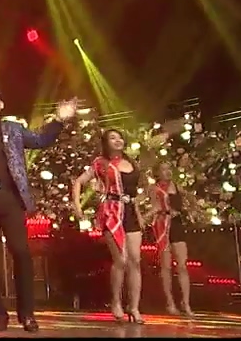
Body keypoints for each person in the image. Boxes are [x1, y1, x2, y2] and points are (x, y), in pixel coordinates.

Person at [0, 84, 77, 332]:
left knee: (21, 253)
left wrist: (59, 120)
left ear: (1, 104)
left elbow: (40, 140)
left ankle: (27, 314)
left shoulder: (13, 128)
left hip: (10, 200)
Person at [71, 124, 179, 325]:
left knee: (135, 261)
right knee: (120, 260)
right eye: (112, 138)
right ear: (106, 143)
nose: (117, 140)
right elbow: (79, 182)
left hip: (130, 212)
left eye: (119, 137)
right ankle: (116, 301)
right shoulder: (101, 163)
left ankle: (134, 307)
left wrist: (141, 212)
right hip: (111, 212)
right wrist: (78, 207)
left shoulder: (131, 163)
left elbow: (139, 191)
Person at [147, 161, 195, 317]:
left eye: (169, 169)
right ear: (157, 172)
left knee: (182, 265)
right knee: (166, 266)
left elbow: (189, 199)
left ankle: (186, 303)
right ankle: (170, 302)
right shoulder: (154, 189)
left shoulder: (177, 186)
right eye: (163, 169)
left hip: (177, 224)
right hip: (162, 225)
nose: (167, 172)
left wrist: (189, 211)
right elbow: (153, 206)